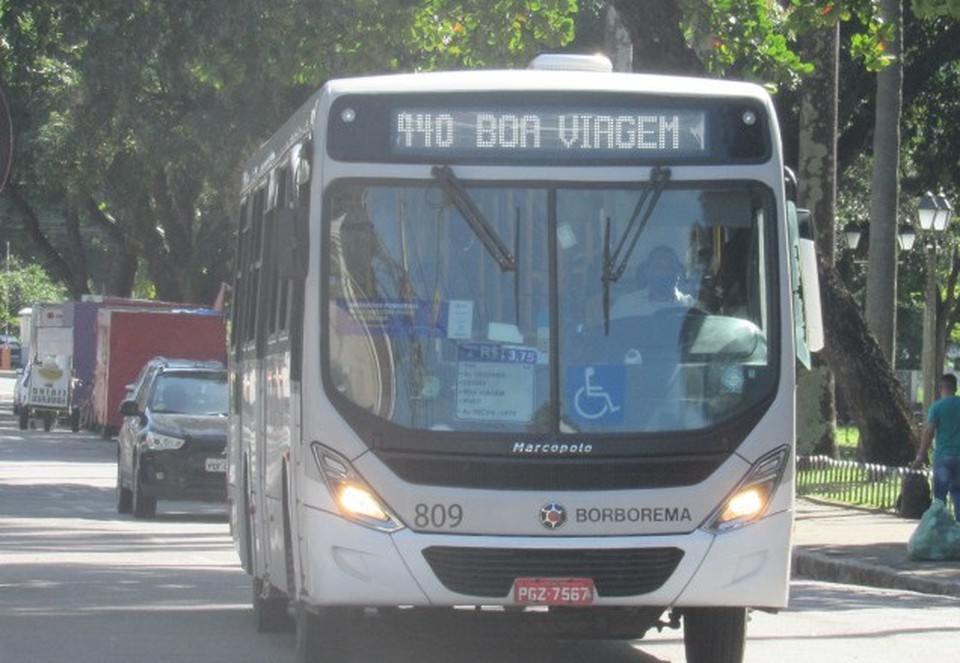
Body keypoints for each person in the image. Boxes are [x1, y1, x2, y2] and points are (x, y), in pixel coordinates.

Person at [912, 372, 960, 519]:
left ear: (940, 388)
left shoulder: (937, 407)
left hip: (943, 458)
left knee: (940, 497)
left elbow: (928, 432)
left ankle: (940, 531)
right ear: (956, 388)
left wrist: (920, 457)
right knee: (958, 493)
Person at [611, 244, 695, 319]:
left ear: (678, 272)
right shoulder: (625, 305)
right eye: (658, 268)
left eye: (669, 268)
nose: (663, 273)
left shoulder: (692, 306)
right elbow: (612, 334)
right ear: (647, 271)